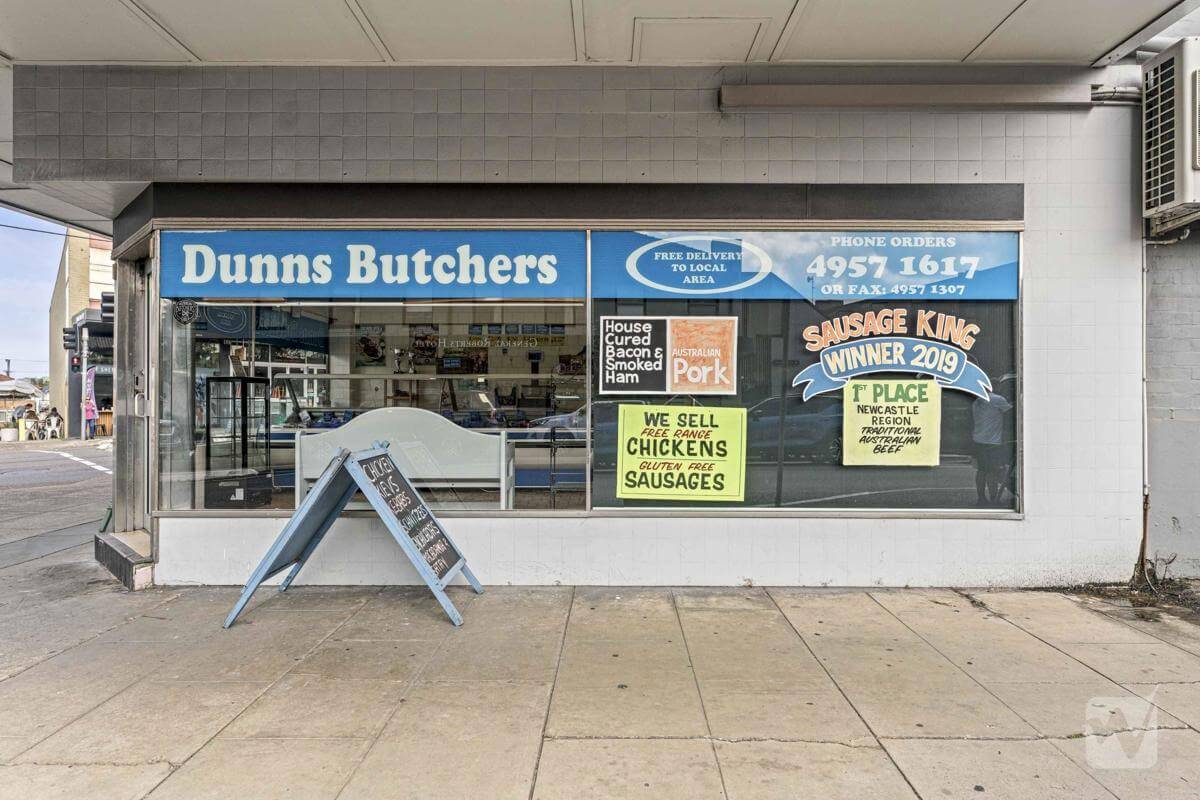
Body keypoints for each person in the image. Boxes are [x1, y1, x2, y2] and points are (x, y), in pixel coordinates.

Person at [972, 389, 1013, 506]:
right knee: (993, 472)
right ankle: (994, 499)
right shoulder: (998, 399)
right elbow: (1011, 412)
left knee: (981, 470)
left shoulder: (976, 402)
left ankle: (981, 498)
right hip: (993, 442)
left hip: (978, 440)